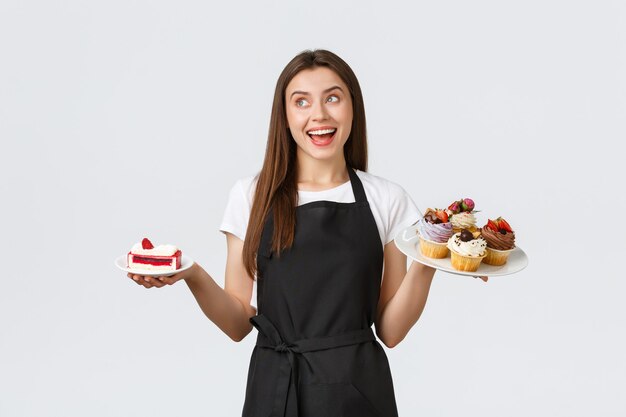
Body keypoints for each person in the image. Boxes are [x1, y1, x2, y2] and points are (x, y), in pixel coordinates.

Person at [127, 49, 486, 417]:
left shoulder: (388, 199)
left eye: (333, 98)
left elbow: (391, 332)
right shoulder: (252, 196)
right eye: (301, 102)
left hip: (359, 394)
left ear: (353, 108)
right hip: (275, 391)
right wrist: (192, 274)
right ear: (284, 116)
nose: (319, 114)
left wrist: (430, 258)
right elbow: (237, 324)